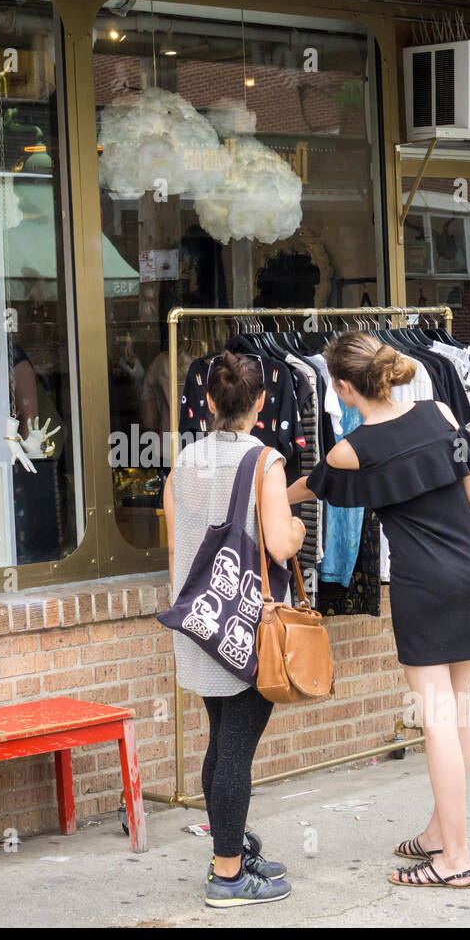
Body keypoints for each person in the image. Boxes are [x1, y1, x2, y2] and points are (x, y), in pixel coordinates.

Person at [287, 333, 470, 890]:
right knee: (454, 710)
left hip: (422, 588)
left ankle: (454, 857)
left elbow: (311, 489)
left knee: (435, 719)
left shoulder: (351, 450)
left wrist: (255, 493)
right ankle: (440, 830)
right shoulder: (439, 412)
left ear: (341, 387)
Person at [162, 351, 306, 907]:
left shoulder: (184, 461)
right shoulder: (265, 462)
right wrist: (293, 525)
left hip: (200, 621)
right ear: (260, 403)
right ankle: (227, 876)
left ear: (211, 402)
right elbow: (278, 545)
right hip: (248, 627)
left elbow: (177, 546)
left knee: (221, 740)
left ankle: (231, 850)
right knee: (235, 751)